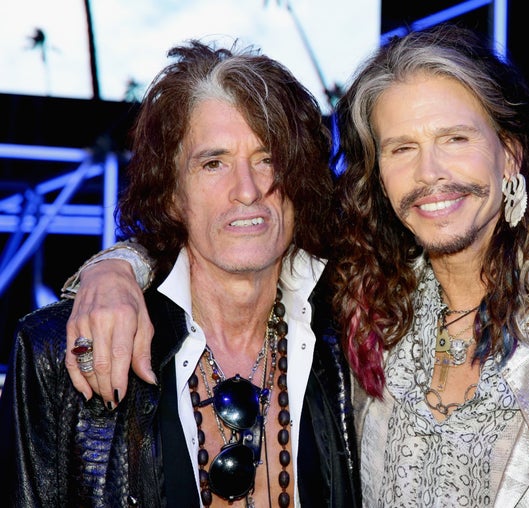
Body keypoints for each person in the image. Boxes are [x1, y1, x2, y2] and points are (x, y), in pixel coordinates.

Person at [47, 24, 529, 506]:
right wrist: (115, 270)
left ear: (510, 152)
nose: (431, 176)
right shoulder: (362, 304)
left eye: (454, 138)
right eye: (400, 148)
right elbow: (223, 244)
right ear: (377, 177)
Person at [0, 39, 361, 507]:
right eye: (213, 164)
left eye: (268, 158)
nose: (247, 190)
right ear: (171, 194)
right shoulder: (60, 352)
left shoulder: (352, 339)